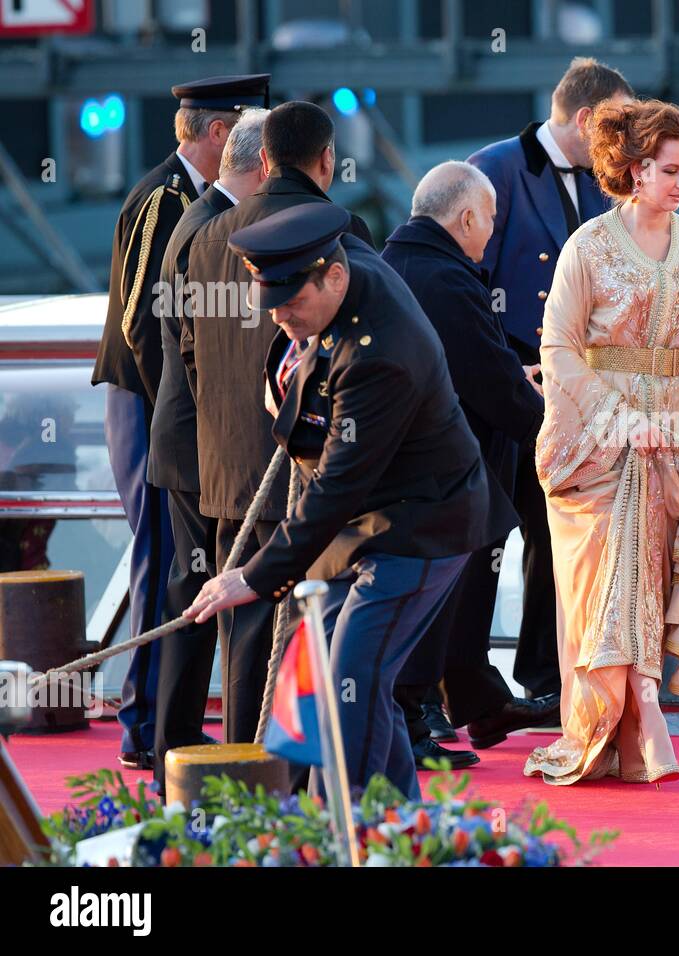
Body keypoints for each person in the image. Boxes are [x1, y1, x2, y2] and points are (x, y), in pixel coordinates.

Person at [186, 203, 516, 799]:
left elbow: (339, 484)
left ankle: (347, 833)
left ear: (333, 278)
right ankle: (397, 830)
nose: (282, 318)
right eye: (274, 304)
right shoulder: (344, 265)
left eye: (293, 304)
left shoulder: (378, 355)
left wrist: (254, 577)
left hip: (420, 524)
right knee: (354, 682)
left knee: (351, 683)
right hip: (365, 525)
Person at [523, 99, 679, 786]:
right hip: (595, 446)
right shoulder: (587, 247)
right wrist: (623, 420)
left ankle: (637, 736)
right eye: (669, 169)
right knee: (603, 591)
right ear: (634, 168)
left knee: (647, 589)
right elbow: (558, 349)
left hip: (672, 443)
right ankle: (607, 733)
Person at [91, 73, 270, 771]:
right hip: (149, 402)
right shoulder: (164, 199)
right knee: (164, 559)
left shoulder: (190, 199)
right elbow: (143, 320)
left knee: (181, 564)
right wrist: (198, 403)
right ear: (222, 132)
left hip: (176, 408)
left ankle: (164, 725)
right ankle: (145, 726)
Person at [184, 100, 374, 747]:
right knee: (305, 645)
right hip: (307, 472)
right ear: (328, 160)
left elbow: (186, 351)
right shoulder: (340, 234)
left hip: (227, 466)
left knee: (242, 644)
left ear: (261, 160)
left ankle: (242, 780)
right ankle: (292, 792)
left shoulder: (209, 234)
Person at [468, 57, 634, 701]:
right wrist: (505, 367)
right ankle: (464, 684)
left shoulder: (604, 180)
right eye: (616, 125)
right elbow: (465, 284)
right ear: (587, 118)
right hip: (505, 381)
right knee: (484, 536)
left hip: (575, 389)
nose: (626, 140)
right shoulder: (495, 169)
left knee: (553, 531)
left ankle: (543, 677)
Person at [382, 161, 555, 765]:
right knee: (444, 598)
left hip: (414, 469)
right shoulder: (448, 278)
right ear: (465, 218)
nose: (492, 233)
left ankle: (476, 701)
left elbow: (481, 357)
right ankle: (413, 723)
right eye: (489, 220)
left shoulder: (395, 262)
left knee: (454, 596)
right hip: (450, 473)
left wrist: (514, 373)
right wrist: (551, 434)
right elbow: (486, 378)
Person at [150, 106, 270, 787]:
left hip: (195, 437)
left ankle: (175, 735)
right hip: (204, 442)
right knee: (198, 589)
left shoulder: (199, 220)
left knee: (196, 587)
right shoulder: (207, 229)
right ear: (258, 168)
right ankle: (177, 738)